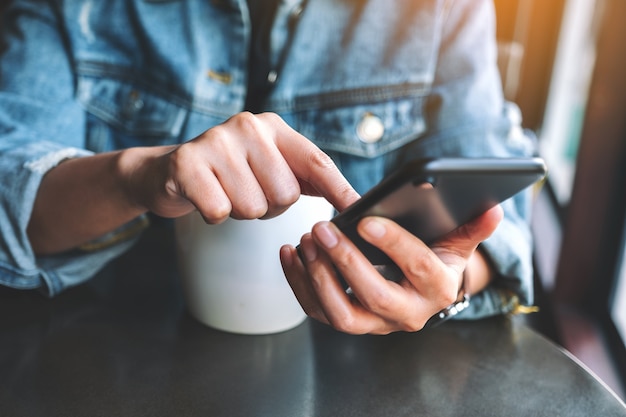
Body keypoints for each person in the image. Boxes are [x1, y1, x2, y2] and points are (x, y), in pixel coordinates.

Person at [0, 0, 537, 334]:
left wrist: (448, 280)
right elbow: (9, 180)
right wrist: (138, 176)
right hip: (101, 337)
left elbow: (499, 218)